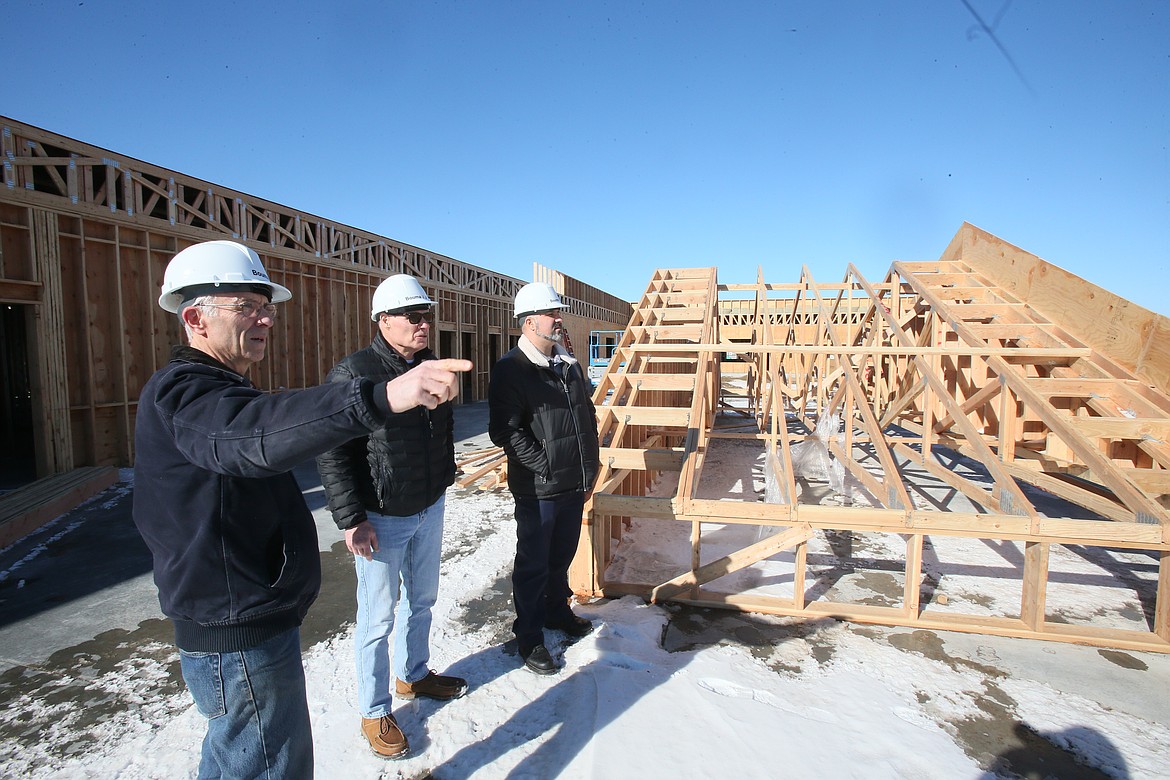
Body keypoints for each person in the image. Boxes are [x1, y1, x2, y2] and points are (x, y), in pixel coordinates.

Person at [132, 240, 469, 779]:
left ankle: (414, 673)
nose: (266, 318)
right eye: (247, 306)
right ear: (194, 317)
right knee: (270, 764)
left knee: (235, 761)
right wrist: (379, 402)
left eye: (267, 306)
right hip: (237, 627)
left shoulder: (219, 386)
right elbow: (260, 433)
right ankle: (376, 709)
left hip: (252, 616)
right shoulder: (186, 393)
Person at [316, 275, 467, 760]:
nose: (425, 323)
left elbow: (441, 431)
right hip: (382, 517)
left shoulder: (429, 365)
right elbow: (333, 453)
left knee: (422, 599)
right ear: (384, 321)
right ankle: (374, 709)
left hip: (428, 504)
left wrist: (444, 475)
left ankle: (414, 675)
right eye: (413, 316)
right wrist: (350, 517)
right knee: (377, 616)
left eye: (427, 315)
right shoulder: (354, 374)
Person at [488, 281, 600, 675]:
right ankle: (530, 635)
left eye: (558, 313)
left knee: (561, 557)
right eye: (552, 314)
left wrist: (590, 464)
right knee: (534, 563)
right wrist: (547, 465)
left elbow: (585, 415)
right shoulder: (511, 370)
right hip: (540, 488)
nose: (558, 319)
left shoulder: (567, 364)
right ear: (530, 321)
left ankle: (557, 613)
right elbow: (505, 431)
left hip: (574, 482)